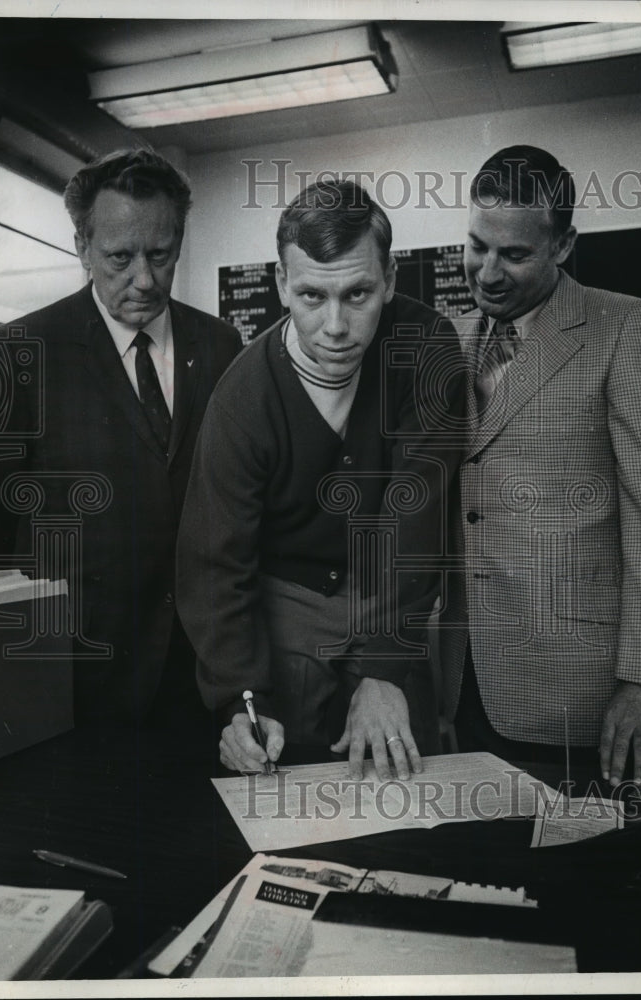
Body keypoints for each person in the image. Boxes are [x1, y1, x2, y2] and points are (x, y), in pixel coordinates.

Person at [441, 145, 641, 786]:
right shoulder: (446, 339)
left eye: (514, 254)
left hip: (579, 693)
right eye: (477, 246)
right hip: (457, 683)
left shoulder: (628, 329)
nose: (487, 272)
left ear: (563, 245)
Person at [177, 179, 464, 780]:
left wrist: (386, 668)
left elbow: (420, 513)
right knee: (286, 774)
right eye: (312, 295)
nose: (335, 325)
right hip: (288, 601)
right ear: (282, 284)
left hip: (396, 584)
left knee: (410, 772)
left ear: (389, 279)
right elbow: (214, 563)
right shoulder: (242, 396)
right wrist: (241, 698)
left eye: (358, 293)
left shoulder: (426, 347)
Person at [0, 148, 242, 735]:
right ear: (82, 248)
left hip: (197, 675)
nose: (144, 280)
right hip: (71, 678)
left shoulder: (221, 347)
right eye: (120, 257)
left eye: (160, 255)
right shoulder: (19, 353)